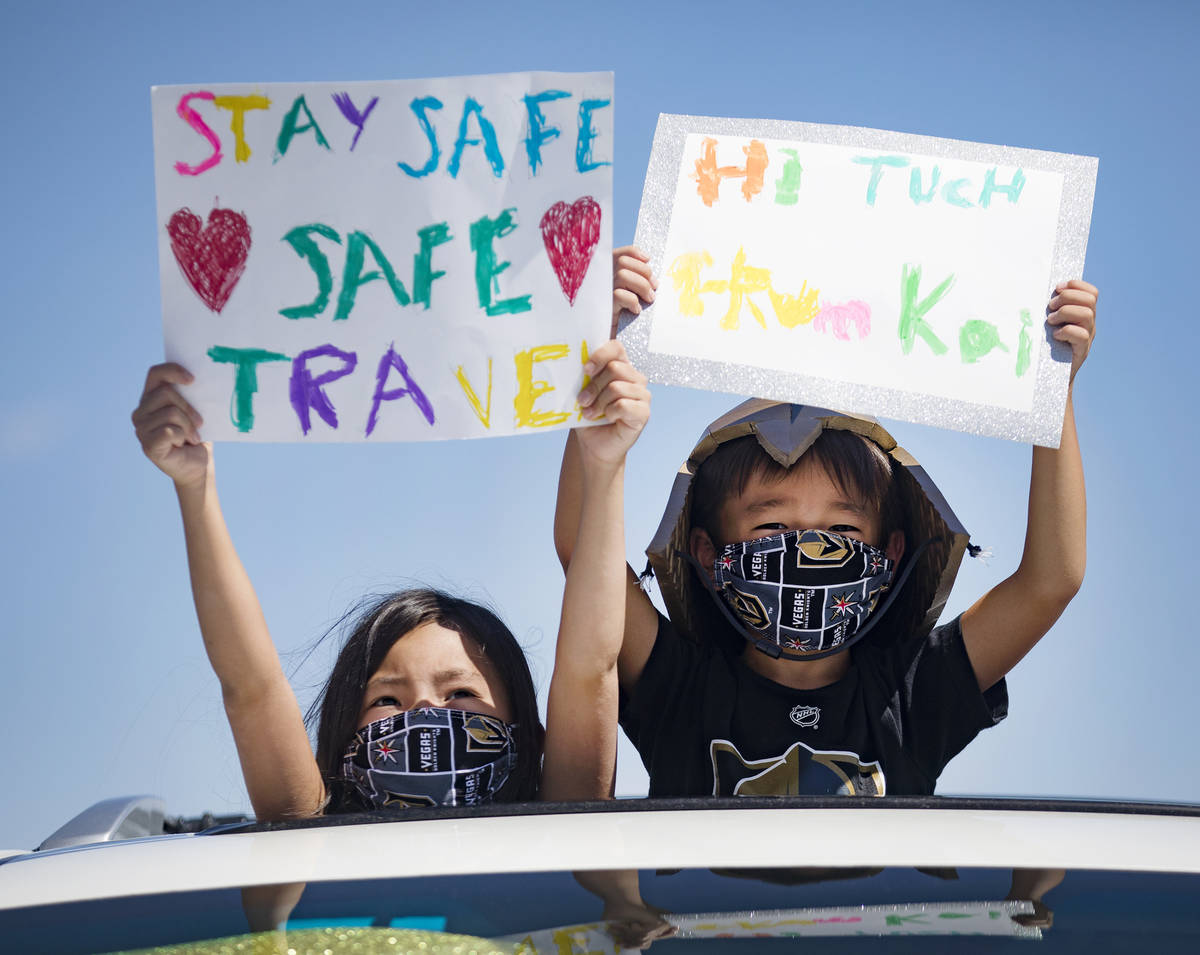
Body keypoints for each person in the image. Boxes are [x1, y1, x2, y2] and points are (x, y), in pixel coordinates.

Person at [556, 246, 1097, 797]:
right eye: (772, 529)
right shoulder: (681, 687)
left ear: (891, 554)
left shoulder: (912, 693)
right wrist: (601, 356)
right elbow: (584, 548)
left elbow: (1052, 580)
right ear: (704, 552)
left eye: (842, 531)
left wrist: (1056, 390)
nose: (809, 547)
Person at [131, 340, 648, 820]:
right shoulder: (309, 835)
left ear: (528, 731)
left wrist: (605, 465)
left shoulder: (564, 823)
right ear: (341, 738)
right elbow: (252, 688)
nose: (424, 708)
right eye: (385, 700)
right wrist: (194, 485)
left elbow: (590, 667)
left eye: (460, 693)